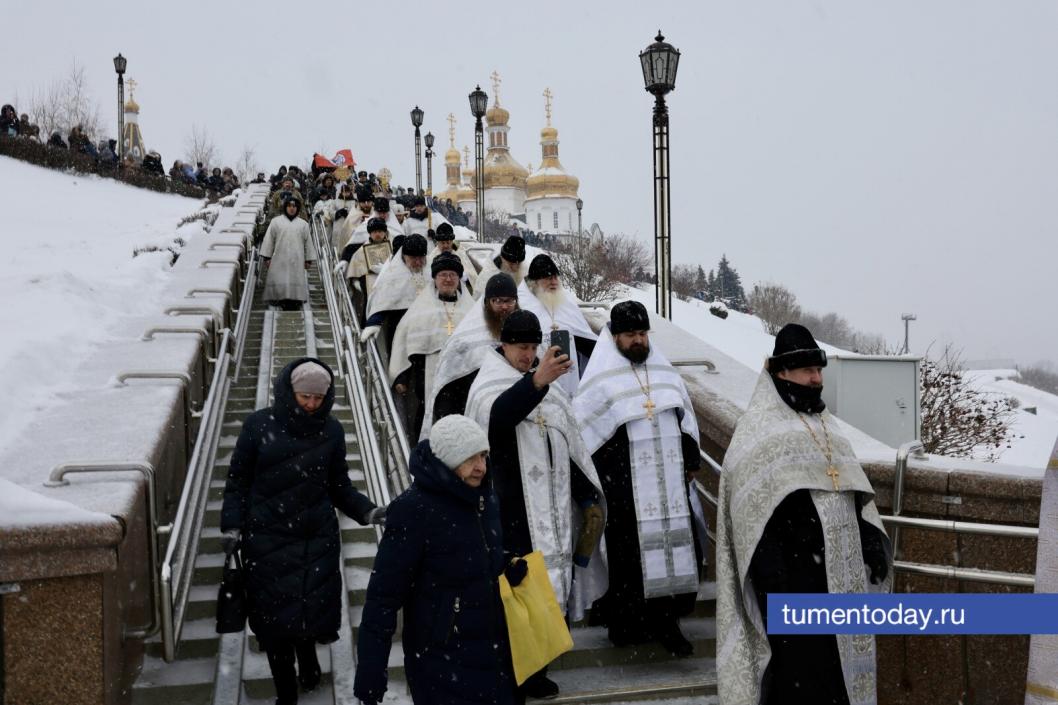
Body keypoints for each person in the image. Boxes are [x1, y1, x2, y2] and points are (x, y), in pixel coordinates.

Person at [716, 324, 892, 705]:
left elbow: (851, 495)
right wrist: (772, 581)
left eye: (819, 370)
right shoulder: (757, 431)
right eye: (807, 371)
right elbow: (751, 514)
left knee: (840, 680)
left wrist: (870, 545)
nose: (816, 379)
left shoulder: (827, 427)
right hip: (793, 582)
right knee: (799, 680)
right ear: (781, 373)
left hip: (841, 580)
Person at [221, 359, 385, 705]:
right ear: (289, 391)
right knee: (274, 622)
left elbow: (339, 485)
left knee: (309, 611)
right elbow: (238, 481)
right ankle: (286, 695)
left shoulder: (332, 431)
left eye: (317, 398)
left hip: (316, 539)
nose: (311, 404)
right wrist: (232, 525)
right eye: (304, 396)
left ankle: (309, 661)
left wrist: (368, 511)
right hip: (267, 540)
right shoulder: (257, 425)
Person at [465, 310, 607, 700]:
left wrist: (585, 495)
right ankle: (513, 673)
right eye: (520, 348)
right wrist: (535, 384)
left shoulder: (552, 388)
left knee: (549, 596)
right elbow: (495, 423)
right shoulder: (488, 384)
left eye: (532, 348)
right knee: (519, 599)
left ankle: (538, 668)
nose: (527, 356)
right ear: (504, 345)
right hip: (511, 511)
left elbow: (568, 446)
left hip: (555, 509)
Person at [353, 415, 519, 705]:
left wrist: (506, 566)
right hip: (441, 660)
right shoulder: (412, 510)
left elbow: (476, 556)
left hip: (495, 653)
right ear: (448, 461)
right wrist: (371, 670)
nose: (481, 466)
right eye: (470, 459)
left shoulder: (484, 498)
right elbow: (383, 597)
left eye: (483, 455)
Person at [573, 300, 701, 655]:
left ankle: (667, 623)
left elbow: (685, 418)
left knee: (674, 551)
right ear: (615, 337)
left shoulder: (664, 373)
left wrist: (691, 456)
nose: (639, 341)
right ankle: (627, 623)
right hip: (624, 487)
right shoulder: (599, 379)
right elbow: (587, 432)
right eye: (631, 334)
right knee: (628, 557)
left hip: (668, 487)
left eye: (643, 334)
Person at [420, 273, 519, 440]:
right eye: (498, 301)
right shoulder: (464, 342)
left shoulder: (525, 337)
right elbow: (447, 390)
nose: (504, 307)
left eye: (509, 301)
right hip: (471, 425)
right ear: (487, 303)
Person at [388, 252, 473, 442]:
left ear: (459, 279)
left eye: (453, 275)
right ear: (434, 278)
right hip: (428, 376)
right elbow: (404, 340)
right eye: (443, 275)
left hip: (462, 379)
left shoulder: (471, 309)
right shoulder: (420, 308)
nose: (448, 279)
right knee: (427, 417)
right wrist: (403, 377)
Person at [519, 254, 597, 398]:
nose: (554, 282)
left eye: (555, 277)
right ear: (535, 281)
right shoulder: (522, 304)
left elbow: (584, 336)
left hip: (568, 374)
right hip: (537, 374)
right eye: (548, 278)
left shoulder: (565, 301)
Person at [360, 233, 428, 353]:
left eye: (421, 258)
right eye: (413, 258)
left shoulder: (430, 272)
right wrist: (374, 322)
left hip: (426, 329)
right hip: (399, 328)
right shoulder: (393, 275)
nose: (418, 262)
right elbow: (383, 301)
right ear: (404, 256)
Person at [261, 196, 316, 310]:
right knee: (280, 279)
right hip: (280, 258)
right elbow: (269, 240)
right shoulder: (276, 222)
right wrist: (267, 257)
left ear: (298, 208)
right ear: (285, 207)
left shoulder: (303, 224)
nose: (292, 209)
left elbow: (308, 243)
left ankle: (295, 301)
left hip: (297, 258)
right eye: (289, 206)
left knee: (295, 280)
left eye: (294, 206)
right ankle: (280, 300)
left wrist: (308, 259)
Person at [337, 217, 393, 321]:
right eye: (375, 232)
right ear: (370, 233)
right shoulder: (361, 250)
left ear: (385, 232)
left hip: (390, 285)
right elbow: (355, 270)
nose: (377, 234)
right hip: (369, 286)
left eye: (380, 231)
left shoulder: (393, 247)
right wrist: (357, 282)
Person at [427, 222, 477, 294]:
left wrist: (464, 278)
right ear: (438, 243)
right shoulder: (432, 257)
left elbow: (472, 277)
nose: (446, 246)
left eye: (448, 242)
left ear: (452, 241)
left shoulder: (460, 253)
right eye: (443, 243)